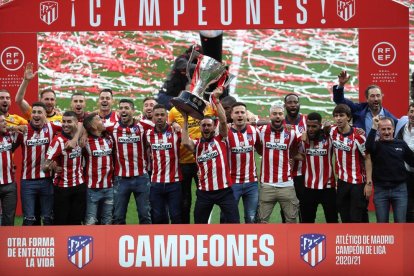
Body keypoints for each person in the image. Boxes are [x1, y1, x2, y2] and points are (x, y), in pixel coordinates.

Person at [180, 88, 240, 224]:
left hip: (224, 191)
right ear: (200, 128)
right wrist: (185, 118)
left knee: (234, 223)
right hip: (204, 193)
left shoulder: (221, 139)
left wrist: (217, 101)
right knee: (199, 225)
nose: (206, 127)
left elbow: (223, 121)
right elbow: (184, 141)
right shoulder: (196, 145)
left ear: (213, 128)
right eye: (204, 126)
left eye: (209, 125)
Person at [14, 102, 61, 225]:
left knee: (48, 218)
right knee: (29, 219)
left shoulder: (52, 127)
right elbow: (9, 148)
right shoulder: (23, 129)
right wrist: (12, 128)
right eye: (34, 112)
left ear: (46, 115)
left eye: (40, 112)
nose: (36, 115)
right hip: (27, 182)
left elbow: (75, 126)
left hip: (47, 180)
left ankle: (51, 244)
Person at [108, 99, 152, 225]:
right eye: (121, 108)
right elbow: (91, 125)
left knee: (145, 215)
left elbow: (162, 124)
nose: (123, 110)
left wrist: (175, 125)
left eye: (126, 108)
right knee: (118, 216)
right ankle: (117, 243)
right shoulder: (112, 127)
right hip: (121, 179)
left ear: (133, 111)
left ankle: (146, 243)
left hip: (141, 178)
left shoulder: (143, 126)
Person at [257, 104, 300, 223]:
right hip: (267, 185)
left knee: (291, 220)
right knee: (261, 221)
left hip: (286, 185)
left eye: (280, 114)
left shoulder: (291, 133)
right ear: (270, 116)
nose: (277, 116)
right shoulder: (261, 131)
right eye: (274, 114)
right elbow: (258, 147)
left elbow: (293, 152)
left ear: (283, 116)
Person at [366, 116, 414, 223]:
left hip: (400, 190)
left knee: (400, 223)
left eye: (389, 129)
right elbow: (368, 147)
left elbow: (412, 161)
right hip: (380, 190)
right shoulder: (376, 145)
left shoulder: (401, 144)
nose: (386, 132)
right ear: (379, 131)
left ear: (393, 129)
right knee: (382, 226)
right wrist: (373, 127)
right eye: (383, 129)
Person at [330, 104, 372, 223]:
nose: (338, 118)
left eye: (341, 115)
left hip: (358, 183)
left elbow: (368, 158)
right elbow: (320, 128)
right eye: (336, 116)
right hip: (342, 182)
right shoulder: (332, 131)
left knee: (357, 218)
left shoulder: (359, 136)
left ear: (348, 117)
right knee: (345, 216)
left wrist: (369, 184)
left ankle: (362, 241)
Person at [43, 111, 86, 225]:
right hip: (62, 187)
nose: (65, 124)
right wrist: (50, 167)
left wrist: (77, 138)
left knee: (77, 221)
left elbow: (85, 122)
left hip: (79, 185)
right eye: (64, 122)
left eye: (69, 122)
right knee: (61, 222)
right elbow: (45, 166)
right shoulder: (58, 141)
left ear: (76, 123)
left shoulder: (79, 135)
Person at [146, 104, 182, 224]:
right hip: (156, 182)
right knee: (158, 216)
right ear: (153, 118)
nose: (159, 117)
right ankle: (161, 241)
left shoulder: (176, 131)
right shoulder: (147, 134)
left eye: (162, 115)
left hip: (174, 182)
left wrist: (175, 123)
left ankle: (177, 240)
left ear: (167, 117)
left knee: (176, 215)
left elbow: (188, 143)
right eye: (157, 115)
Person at [299, 112, 338, 223]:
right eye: (309, 126)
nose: (310, 129)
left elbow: (340, 127)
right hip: (309, 187)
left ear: (320, 126)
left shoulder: (330, 137)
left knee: (332, 220)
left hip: (328, 187)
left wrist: (328, 126)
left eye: (314, 126)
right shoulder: (303, 138)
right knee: (307, 222)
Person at [332, 70, 398, 135]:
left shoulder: (392, 119)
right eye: (372, 96)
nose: (376, 99)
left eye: (378, 96)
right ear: (367, 99)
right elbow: (339, 100)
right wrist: (341, 84)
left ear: (382, 97)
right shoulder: (358, 109)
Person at [227, 102, 261, 223]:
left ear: (246, 115)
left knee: (251, 218)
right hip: (232, 183)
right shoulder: (225, 132)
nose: (240, 115)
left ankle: (251, 242)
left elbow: (260, 149)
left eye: (242, 112)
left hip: (251, 183)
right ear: (231, 115)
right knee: (230, 219)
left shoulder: (254, 130)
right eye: (237, 112)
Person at [83, 113, 114, 225]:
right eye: (99, 120)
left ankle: (107, 243)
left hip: (109, 187)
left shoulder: (109, 138)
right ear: (93, 126)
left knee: (108, 220)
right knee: (91, 221)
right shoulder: (85, 142)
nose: (103, 121)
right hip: (92, 188)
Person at [282, 93, 307, 223]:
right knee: (285, 209)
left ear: (299, 104)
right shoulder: (279, 122)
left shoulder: (307, 121)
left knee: (303, 207)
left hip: (302, 173)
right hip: (284, 174)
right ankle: (287, 237)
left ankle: (302, 235)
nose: (292, 105)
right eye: (289, 102)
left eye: (295, 102)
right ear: (285, 105)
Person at [158, 44, 203, 110]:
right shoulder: (181, 59)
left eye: (198, 55)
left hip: (177, 96)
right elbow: (186, 66)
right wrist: (202, 66)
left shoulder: (195, 63)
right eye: (194, 53)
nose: (195, 56)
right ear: (189, 52)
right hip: (166, 95)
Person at [396, 103, 414, 222]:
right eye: (412, 111)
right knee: (408, 206)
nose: (413, 115)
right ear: (408, 113)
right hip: (406, 173)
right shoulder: (402, 124)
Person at [0, 114, 18, 226]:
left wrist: (12, 128)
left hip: (9, 184)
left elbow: (24, 127)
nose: (5, 123)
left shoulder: (9, 136)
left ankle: (5, 243)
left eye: (5, 121)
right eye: (2, 121)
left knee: (9, 218)